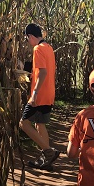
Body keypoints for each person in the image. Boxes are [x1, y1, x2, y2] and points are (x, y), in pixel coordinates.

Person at [19, 23, 60, 169]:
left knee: (23, 123)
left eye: (27, 39)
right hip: (49, 93)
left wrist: (34, 94)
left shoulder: (38, 49)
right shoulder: (49, 48)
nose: (28, 42)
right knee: (40, 124)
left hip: (40, 95)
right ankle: (47, 161)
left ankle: (49, 151)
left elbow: (43, 72)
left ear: (30, 36)